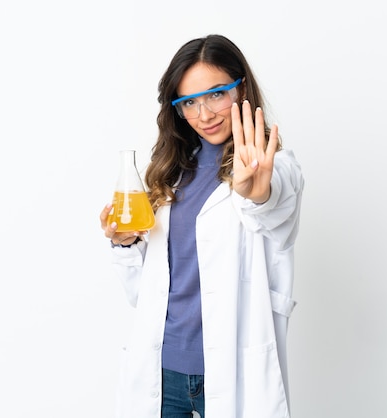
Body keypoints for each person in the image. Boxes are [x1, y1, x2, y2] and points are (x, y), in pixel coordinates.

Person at [99, 34, 304, 418]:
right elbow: (145, 295)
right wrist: (125, 245)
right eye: (188, 102)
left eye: (215, 94)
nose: (204, 115)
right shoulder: (171, 174)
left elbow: (274, 207)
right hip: (163, 373)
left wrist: (256, 193)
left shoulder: (276, 167)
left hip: (230, 372)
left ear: (240, 87)